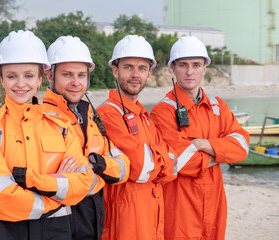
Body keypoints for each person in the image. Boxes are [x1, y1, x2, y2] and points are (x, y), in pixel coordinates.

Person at [0, 30, 100, 240]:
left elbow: (83, 183)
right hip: (2, 232)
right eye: (11, 76)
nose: (20, 84)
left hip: (56, 231)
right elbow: (3, 198)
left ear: (40, 78)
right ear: (1, 79)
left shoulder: (61, 126)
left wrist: (32, 183)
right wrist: (57, 192)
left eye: (28, 75)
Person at [150, 36, 250, 240]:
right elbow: (181, 162)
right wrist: (220, 154)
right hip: (180, 206)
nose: (189, 72)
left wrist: (206, 145)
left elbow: (241, 147)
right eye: (183, 65)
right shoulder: (163, 112)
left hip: (214, 203)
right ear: (173, 68)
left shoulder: (218, 106)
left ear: (204, 67)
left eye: (196, 65)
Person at [44, 35, 130, 240]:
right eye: (67, 75)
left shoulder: (89, 116)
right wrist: (101, 169)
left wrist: (95, 163)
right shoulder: (42, 118)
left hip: (93, 220)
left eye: (81, 75)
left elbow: (124, 166)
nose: (76, 82)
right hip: (59, 224)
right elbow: (72, 182)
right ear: (50, 75)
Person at [96, 35, 177, 240]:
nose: (135, 74)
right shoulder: (108, 114)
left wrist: (159, 160)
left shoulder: (143, 115)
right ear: (115, 70)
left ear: (149, 73)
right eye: (128, 67)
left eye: (142, 68)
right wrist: (162, 159)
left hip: (151, 216)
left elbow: (172, 166)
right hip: (124, 222)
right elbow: (141, 167)